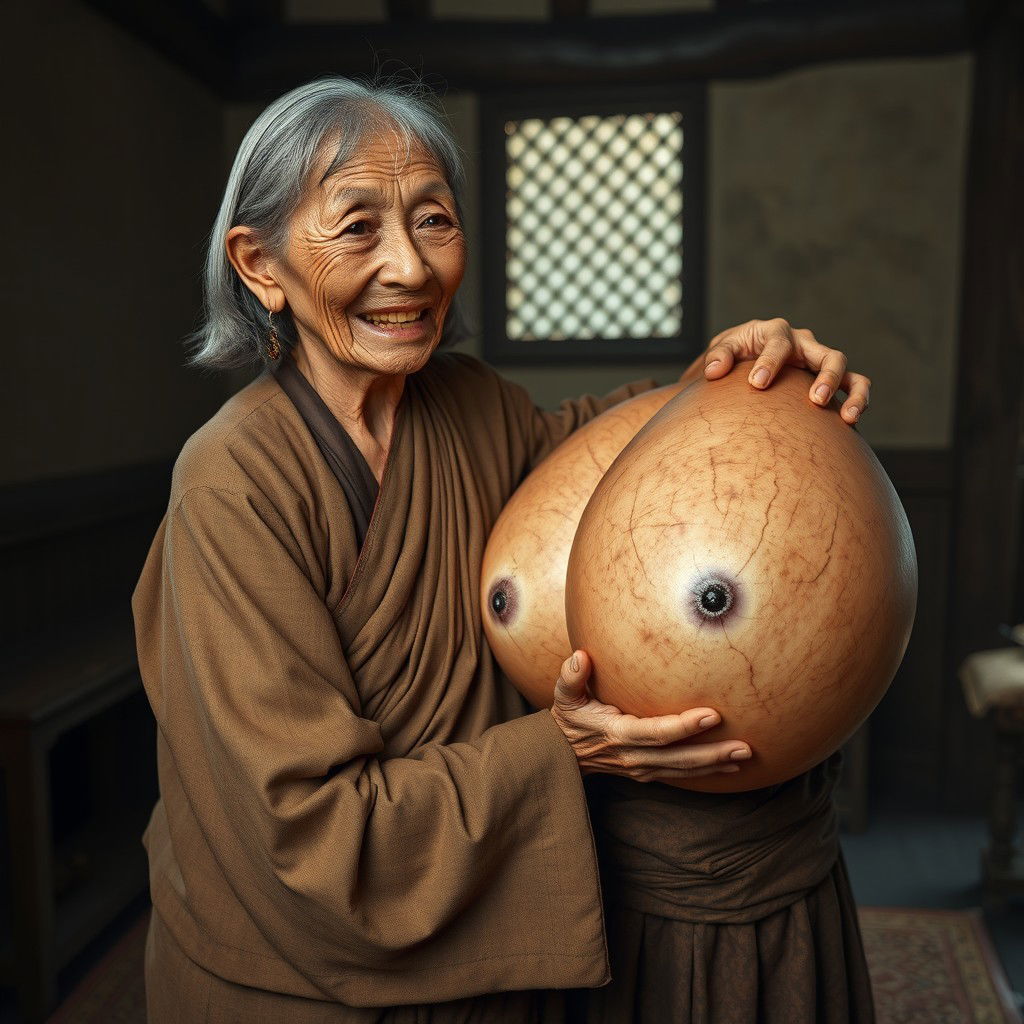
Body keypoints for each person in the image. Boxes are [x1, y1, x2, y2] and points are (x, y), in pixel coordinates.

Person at [132, 76, 873, 1022]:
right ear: (259, 263)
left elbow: (601, 451)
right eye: (358, 228)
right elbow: (308, 832)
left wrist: (733, 377)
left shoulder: (472, 407)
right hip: (296, 980)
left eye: (434, 220)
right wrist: (564, 753)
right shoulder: (231, 486)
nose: (410, 267)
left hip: (484, 952)